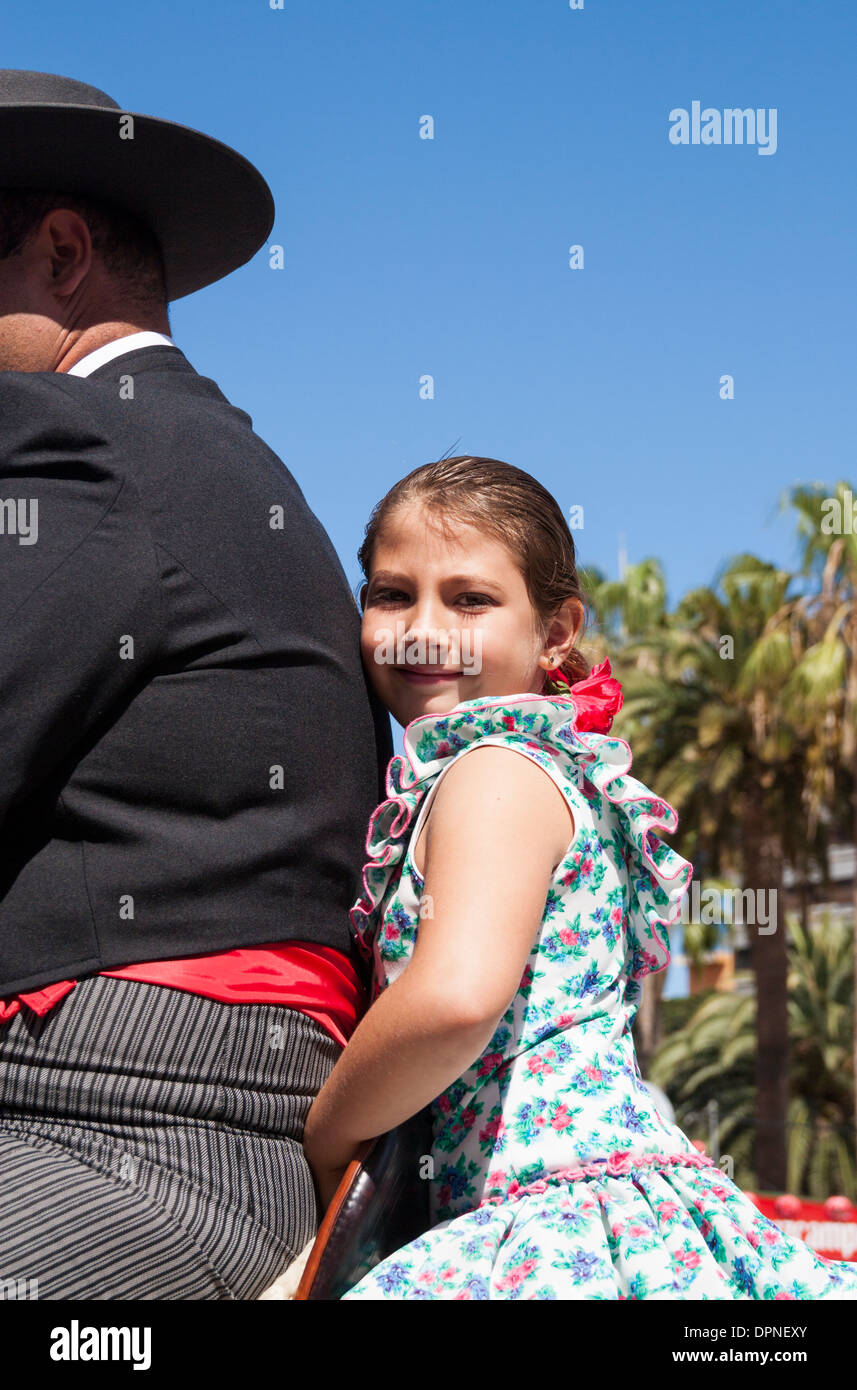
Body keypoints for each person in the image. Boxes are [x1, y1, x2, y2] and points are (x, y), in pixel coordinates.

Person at [0, 70, 391, 1299]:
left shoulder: (75, 439)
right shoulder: (212, 454)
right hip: (179, 1117)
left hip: (126, 1125)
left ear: (63, 253)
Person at [302, 455, 857, 1300]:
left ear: (556, 631)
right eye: (390, 594)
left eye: (469, 599)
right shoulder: (549, 770)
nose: (422, 627)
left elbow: (455, 997)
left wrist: (326, 1129)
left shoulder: (490, 768)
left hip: (547, 1222)